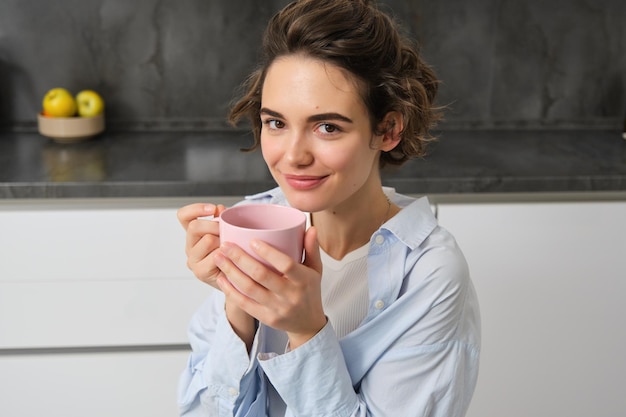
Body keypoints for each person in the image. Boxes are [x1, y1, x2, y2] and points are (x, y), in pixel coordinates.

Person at [176, 0, 480, 415]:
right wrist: (239, 304)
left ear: (388, 129)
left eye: (327, 127)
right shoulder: (255, 222)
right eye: (276, 123)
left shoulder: (429, 274)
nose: (293, 156)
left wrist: (305, 330)